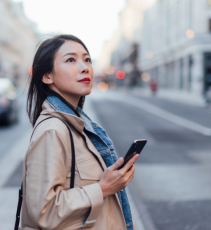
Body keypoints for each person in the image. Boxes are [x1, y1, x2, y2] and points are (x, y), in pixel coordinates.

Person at [20, 35, 139, 230]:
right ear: (47, 76)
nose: (85, 67)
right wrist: (103, 188)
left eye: (87, 59)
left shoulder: (78, 125)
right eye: (70, 60)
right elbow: (43, 211)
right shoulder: (53, 130)